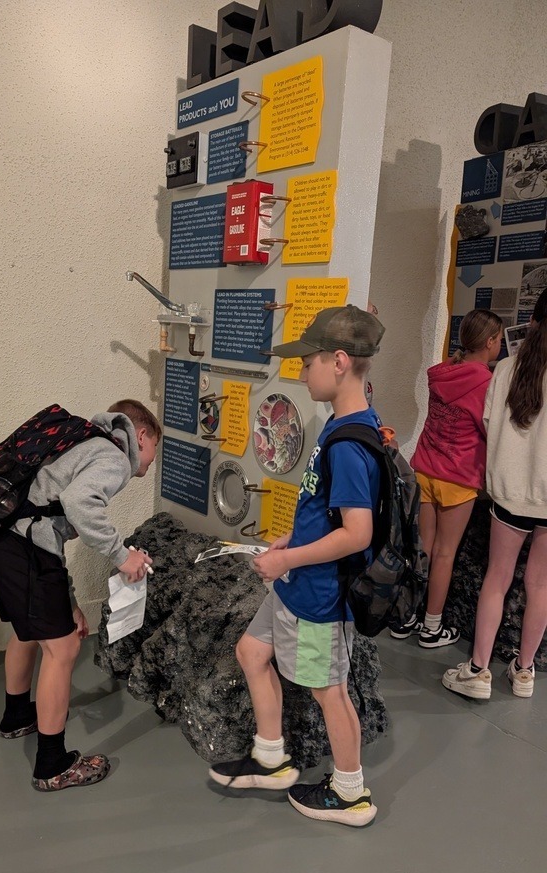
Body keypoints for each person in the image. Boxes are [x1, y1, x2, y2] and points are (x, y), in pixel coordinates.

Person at [208, 305, 384, 828]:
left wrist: (285, 557)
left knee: (328, 690)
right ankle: (269, 756)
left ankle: (351, 793)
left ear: (339, 361)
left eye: (307, 363)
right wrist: (287, 540)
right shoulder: (340, 424)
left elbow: (358, 533)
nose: (301, 373)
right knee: (251, 650)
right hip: (295, 583)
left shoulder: (350, 445)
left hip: (319, 596)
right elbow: (322, 510)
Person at [0, 399, 161, 790]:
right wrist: (122, 555)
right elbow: (78, 507)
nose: (149, 466)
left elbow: (50, 526)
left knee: (29, 632)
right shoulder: (112, 456)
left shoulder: (80, 443)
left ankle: (16, 717)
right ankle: (52, 766)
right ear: (140, 435)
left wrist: (71, 601)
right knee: (62, 651)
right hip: (22, 548)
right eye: (153, 451)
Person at [443, 288, 547, 700]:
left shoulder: (505, 369)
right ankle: (524, 673)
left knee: (497, 579)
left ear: (533, 321)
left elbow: (488, 422)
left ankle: (478, 671)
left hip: (509, 494)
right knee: (540, 586)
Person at [391, 310, 503, 648]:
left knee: (423, 549)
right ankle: (432, 627)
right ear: (489, 342)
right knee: (444, 554)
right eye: (498, 340)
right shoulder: (487, 383)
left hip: (425, 468)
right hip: (458, 477)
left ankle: (406, 617)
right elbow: (490, 430)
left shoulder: (441, 373)